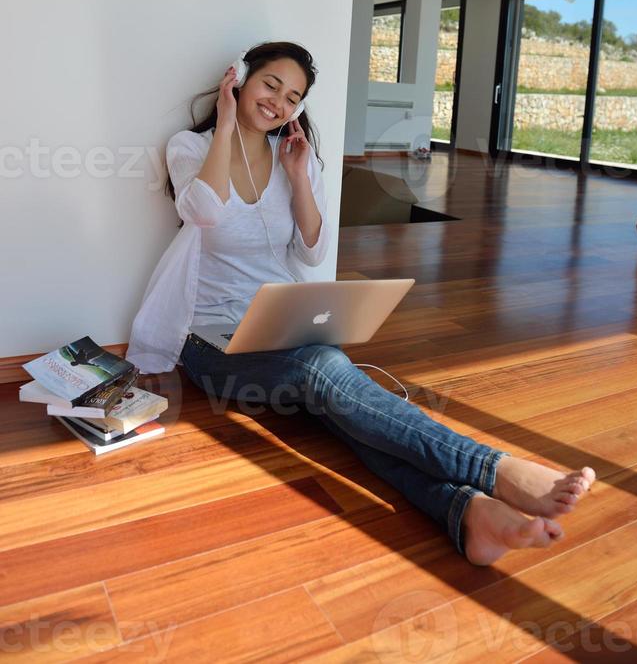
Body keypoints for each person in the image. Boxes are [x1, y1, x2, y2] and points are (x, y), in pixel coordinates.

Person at [127, 40, 596, 566]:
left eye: (293, 96)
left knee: (345, 411)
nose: (278, 102)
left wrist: (301, 175)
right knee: (326, 368)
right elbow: (203, 212)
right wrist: (226, 124)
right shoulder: (190, 148)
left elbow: (310, 252)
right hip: (209, 344)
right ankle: (496, 470)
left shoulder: (294, 160)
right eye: (270, 85)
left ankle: (469, 514)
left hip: (278, 329)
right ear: (238, 81)